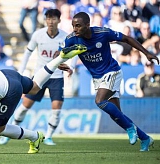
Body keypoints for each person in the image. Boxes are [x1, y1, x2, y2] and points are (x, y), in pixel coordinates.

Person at [58, 12, 158, 152]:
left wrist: (146, 53)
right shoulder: (72, 39)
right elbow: (59, 53)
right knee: (116, 114)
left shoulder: (102, 33)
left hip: (112, 72)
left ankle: (131, 128)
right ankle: (145, 138)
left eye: (78, 26)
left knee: (99, 101)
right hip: (98, 78)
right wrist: (59, 63)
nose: (75, 29)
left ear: (88, 25)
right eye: (73, 26)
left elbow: (127, 39)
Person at [0, 9, 70, 146]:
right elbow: (27, 53)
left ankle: (48, 136)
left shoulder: (65, 37)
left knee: (57, 107)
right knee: (25, 105)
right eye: (48, 18)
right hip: (40, 76)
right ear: (45, 20)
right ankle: (9, 132)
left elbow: (71, 54)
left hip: (56, 77)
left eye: (53, 19)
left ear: (59, 20)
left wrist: (69, 68)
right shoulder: (38, 35)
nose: (50, 21)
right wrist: (21, 72)